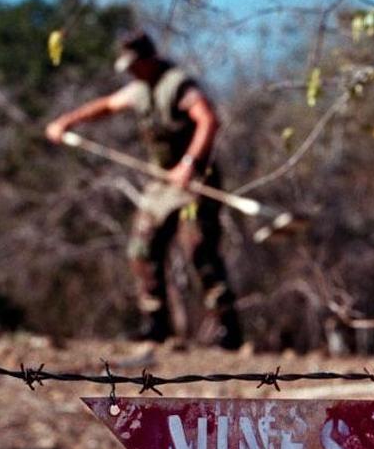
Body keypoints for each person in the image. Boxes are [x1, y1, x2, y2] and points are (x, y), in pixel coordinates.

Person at [45, 30, 243, 350]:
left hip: (196, 180)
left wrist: (190, 164)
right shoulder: (139, 90)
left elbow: (208, 120)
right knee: (142, 248)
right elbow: (107, 105)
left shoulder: (177, 85)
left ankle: (227, 327)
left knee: (199, 250)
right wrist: (67, 121)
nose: (130, 71)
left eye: (134, 64)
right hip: (161, 183)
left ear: (148, 59)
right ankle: (155, 324)